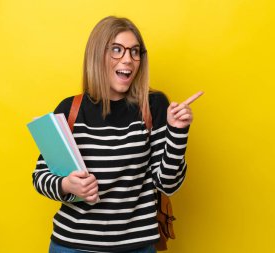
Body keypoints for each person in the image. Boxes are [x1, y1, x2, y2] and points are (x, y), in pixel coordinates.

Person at [32, 16, 201, 253]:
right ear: (97, 55)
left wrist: (178, 131)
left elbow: (168, 184)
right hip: (72, 246)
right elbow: (40, 177)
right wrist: (67, 185)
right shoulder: (70, 109)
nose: (128, 59)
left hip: (137, 247)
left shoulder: (154, 106)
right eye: (116, 50)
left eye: (134, 52)